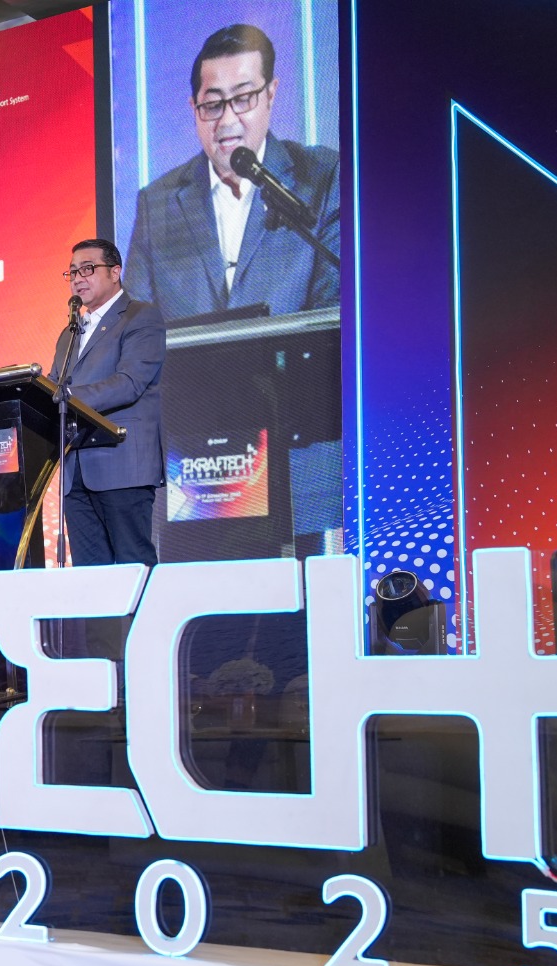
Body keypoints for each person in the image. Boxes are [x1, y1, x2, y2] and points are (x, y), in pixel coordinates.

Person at [125, 24, 340, 323]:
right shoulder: (156, 203)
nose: (227, 121)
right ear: (194, 108)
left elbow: (335, 317)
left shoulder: (322, 178)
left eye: (243, 98)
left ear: (270, 94)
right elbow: (134, 332)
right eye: (212, 105)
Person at [51, 238, 166, 567]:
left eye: (87, 269)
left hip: (122, 464)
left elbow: (129, 384)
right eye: (72, 272)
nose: (77, 278)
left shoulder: (141, 316)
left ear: (115, 272)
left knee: (133, 563)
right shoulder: (70, 333)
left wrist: (66, 397)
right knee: (91, 578)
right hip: (76, 472)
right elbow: (54, 386)